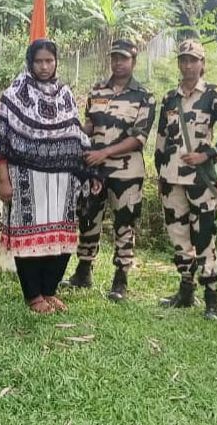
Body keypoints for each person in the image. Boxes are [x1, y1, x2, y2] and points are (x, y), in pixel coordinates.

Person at [0, 38, 91, 314]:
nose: (44, 67)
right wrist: (3, 180)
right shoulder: (16, 94)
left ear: (56, 62)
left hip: (62, 183)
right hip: (27, 181)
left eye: (49, 61)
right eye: (39, 61)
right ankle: (33, 296)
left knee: (61, 238)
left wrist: (85, 172)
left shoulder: (66, 94)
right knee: (29, 239)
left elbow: (75, 135)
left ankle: (49, 290)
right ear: (30, 62)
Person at [64, 40, 156, 302]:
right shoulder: (97, 91)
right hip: (94, 171)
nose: (118, 63)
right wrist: (72, 132)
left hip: (126, 172)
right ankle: (83, 270)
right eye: (115, 58)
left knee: (124, 223)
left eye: (123, 58)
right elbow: (91, 125)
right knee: (88, 218)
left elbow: (139, 138)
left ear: (133, 62)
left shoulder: (143, 96)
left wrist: (103, 153)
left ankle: (121, 278)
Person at [154, 39, 217, 319]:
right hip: (172, 178)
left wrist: (208, 154)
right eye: (183, 60)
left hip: (201, 181)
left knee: (204, 237)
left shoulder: (214, 96)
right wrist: (159, 173)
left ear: (202, 63)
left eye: (193, 60)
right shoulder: (169, 98)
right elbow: (162, 138)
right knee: (178, 236)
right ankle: (185, 291)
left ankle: (212, 297)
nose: (188, 65)